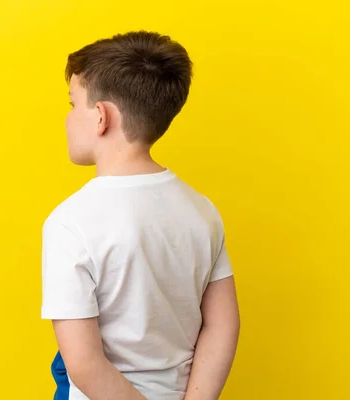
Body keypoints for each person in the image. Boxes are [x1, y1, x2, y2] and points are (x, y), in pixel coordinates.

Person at [41, 30, 240, 400]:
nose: (68, 117)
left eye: (72, 103)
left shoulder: (70, 222)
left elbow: (83, 364)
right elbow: (222, 325)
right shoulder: (201, 210)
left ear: (100, 117)